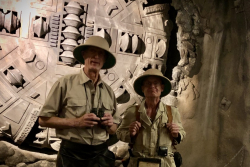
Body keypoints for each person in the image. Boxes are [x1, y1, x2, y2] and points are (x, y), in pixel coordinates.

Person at [38, 36, 120, 167]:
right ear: (83, 55)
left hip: (101, 157)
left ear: (104, 60)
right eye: (92, 51)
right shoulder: (64, 83)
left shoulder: (109, 91)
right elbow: (43, 120)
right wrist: (76, 122)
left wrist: (110, 125)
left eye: (101, 54)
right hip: (71, 156)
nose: (96, 57)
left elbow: (114, 130)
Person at [116, 69, 186, 167]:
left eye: (156, 83)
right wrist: (130, 134)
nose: (152, 86)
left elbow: (182, 133)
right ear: (142, 88)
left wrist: (176, 134)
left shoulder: (172, 111)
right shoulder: (132, 111)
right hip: (138, 162)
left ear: (162, 88)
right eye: (148, 83)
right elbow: (119, 133)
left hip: (165, 163)